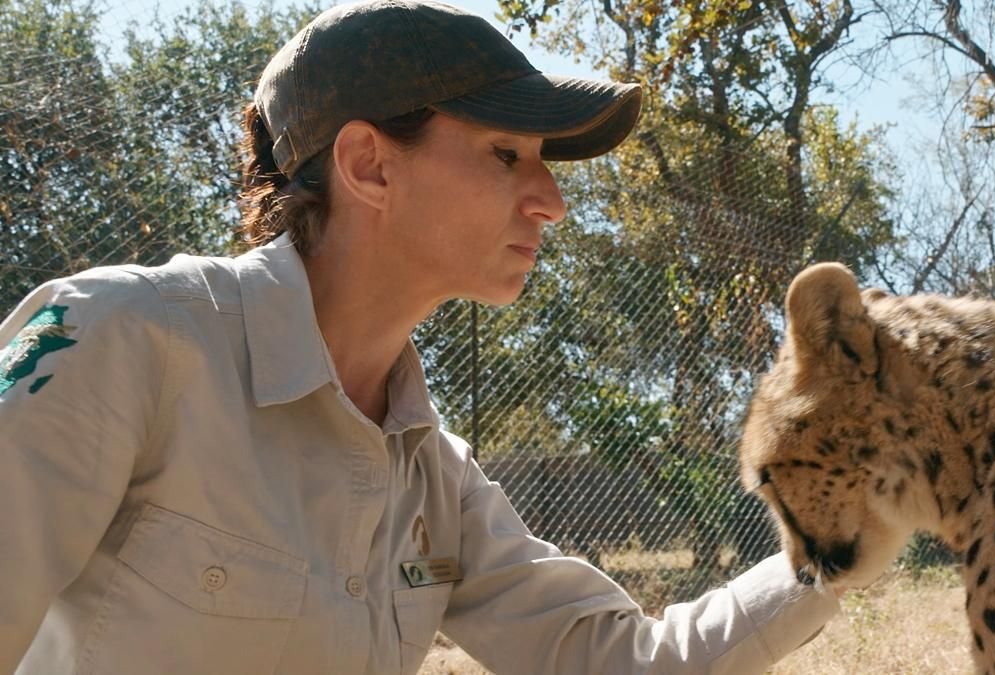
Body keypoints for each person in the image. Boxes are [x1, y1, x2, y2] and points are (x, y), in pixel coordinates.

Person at [0, 1, 841, 673]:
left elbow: (619, 659)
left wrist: (843, 535)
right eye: (508, 153)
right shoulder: (113, 339)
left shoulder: (437, 477)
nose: (552, 199)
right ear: (369, 165)